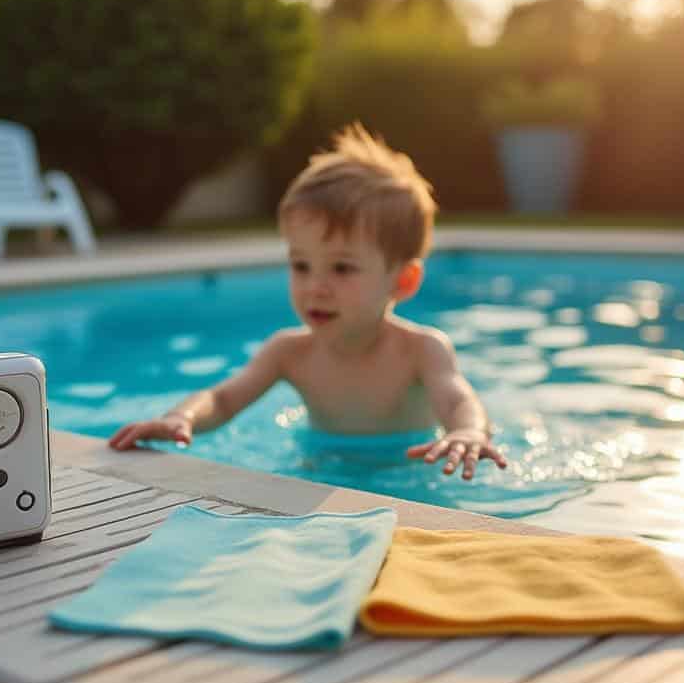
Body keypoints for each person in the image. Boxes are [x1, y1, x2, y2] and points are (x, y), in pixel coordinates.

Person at [108, 124, 508, 481]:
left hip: (408, 473)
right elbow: (223, 398)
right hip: (319, 470)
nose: (315, 287)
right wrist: (181, 417)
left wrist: (469, 431)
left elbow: (457, 399)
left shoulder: (421, 350)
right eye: (301, 265)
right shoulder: (289, 352)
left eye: (342, 268)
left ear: (402, 281)